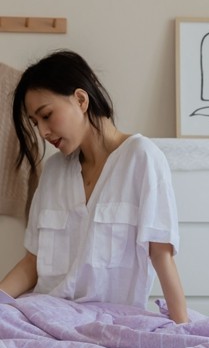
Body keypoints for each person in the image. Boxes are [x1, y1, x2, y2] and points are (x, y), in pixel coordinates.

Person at [0, 50, 188, 323]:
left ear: (80, 99)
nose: (42, 132)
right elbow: (32, 262)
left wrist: (183, 331)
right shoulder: (53, 171)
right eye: (35, 123)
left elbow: (161, 255)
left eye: (47, 115)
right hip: (45, 317)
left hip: (111, 325)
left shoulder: (141, 158)